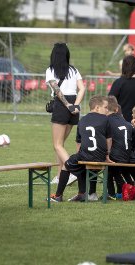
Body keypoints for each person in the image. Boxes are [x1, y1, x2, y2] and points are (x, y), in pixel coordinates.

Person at [49, 95, 112, 202]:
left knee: (67, 164)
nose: (107, 110)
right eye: (105, 107)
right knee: (82, 165)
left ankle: (58, 195)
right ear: (97, 107)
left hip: (85, 155)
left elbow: (79, 142)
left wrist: (80, 156)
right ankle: (84, 194)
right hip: (100, 156)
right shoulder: (106, 120)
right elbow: (109, 140)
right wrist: (107, 155)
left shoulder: (82, 120)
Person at [45, 43, 86, 185]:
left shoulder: (50, 70)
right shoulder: (74, 70)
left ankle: (73, 171)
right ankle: (59, 176)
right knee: (60, 143)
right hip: (74, 106)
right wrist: (75, 105)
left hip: (62, 105)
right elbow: (82, 89)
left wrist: (67, 105)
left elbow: (56, 89)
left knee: (57, 145)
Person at [106, 96, 133, 199]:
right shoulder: (126, 122)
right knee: (120, 170)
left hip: (115, 155)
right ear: (117, 109)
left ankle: (112, 193)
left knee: (109, 169)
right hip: (128, 155)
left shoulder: (106, 121)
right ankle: (121, 191)